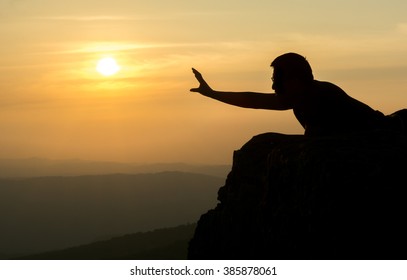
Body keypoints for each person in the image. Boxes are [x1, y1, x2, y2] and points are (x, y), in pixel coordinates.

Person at [190, 52, 388, 137]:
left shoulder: (318, 98)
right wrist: (211, 93)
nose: (274, 86)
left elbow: (317, 142)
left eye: (277, 80)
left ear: (294, 82)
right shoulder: (303, 96)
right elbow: (254, 100)